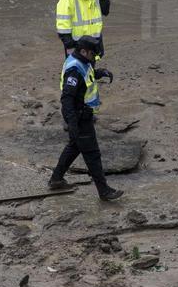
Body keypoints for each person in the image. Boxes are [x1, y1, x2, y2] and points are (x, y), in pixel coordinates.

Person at [48, 36, 123, 201]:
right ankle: (104, 191)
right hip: (80, 116)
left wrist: (99, 73)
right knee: (92, 154)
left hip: (83, 115)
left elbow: (86, 77)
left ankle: (56, 179)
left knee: (74, 147)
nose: (94, 58)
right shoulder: (74, 69)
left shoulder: (82, 61)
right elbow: (66, 98)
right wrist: (72, 123)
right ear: (83, 51)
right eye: (92, 54)